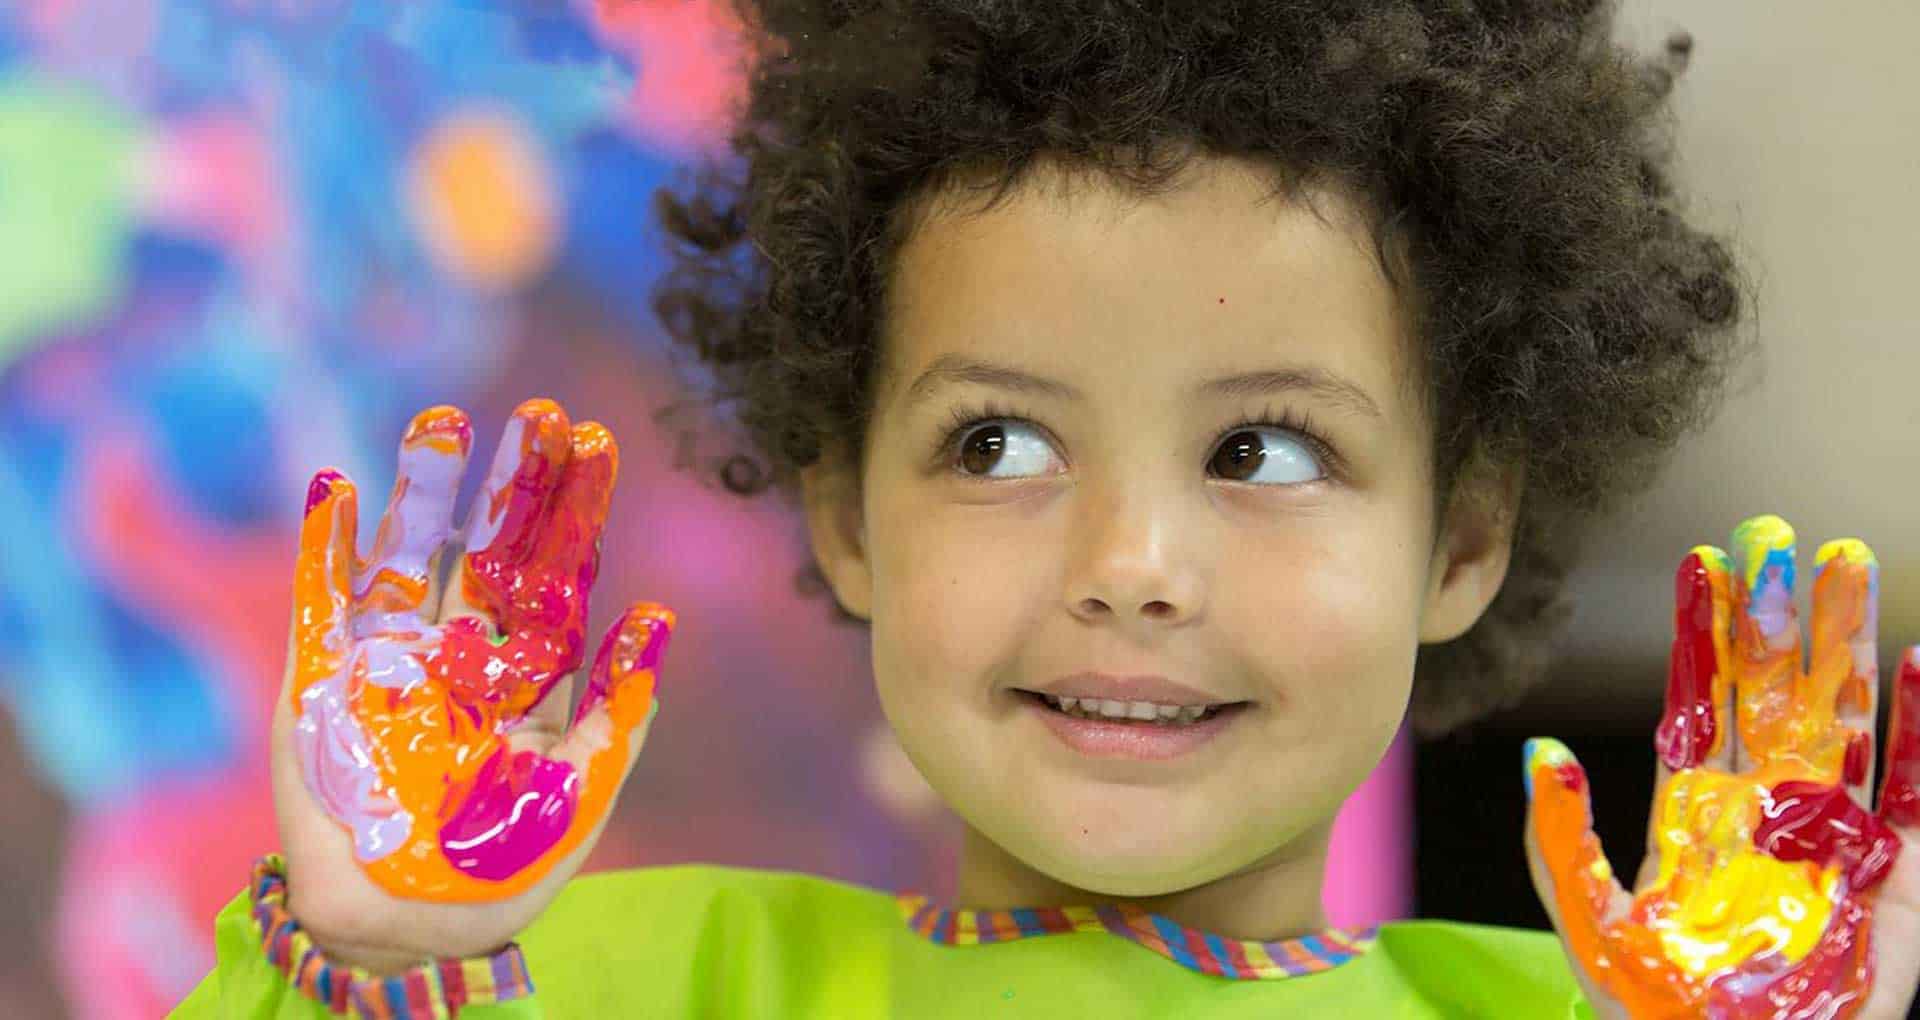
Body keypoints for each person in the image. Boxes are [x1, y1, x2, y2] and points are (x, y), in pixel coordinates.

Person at [171, 1, 1920, 1016]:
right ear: (848, 514)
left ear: (1458, 542)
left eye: (1264, 453)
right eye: (1000, 445)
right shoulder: (616, 976)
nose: (1129, 567)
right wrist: (374, 959)